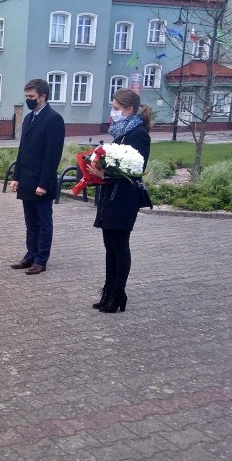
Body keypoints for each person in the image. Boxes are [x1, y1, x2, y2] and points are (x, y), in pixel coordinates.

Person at [85, 88, 152, 313]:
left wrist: (106, 174)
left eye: (115, 109)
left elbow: (137, 169)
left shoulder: (138, 134)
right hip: (110, 197)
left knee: (119, 246)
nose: (112, 113)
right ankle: (108, 292)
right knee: (109, 246)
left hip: (124, 199)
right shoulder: (120, 133)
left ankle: (118, 294)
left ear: (129, 110)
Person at [9, 78, 66, 275]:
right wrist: (16, 177)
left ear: (43, 96)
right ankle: (30, 255)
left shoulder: (54, 119)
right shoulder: (28, 119)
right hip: (26, 180)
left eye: (31, 97)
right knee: (30, 222)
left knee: (43, 222)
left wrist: (44, 183)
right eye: (26, 97)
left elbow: (52, 155)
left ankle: (41, 259)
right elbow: (22, 150)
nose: (28, 100)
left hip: (42, 183)